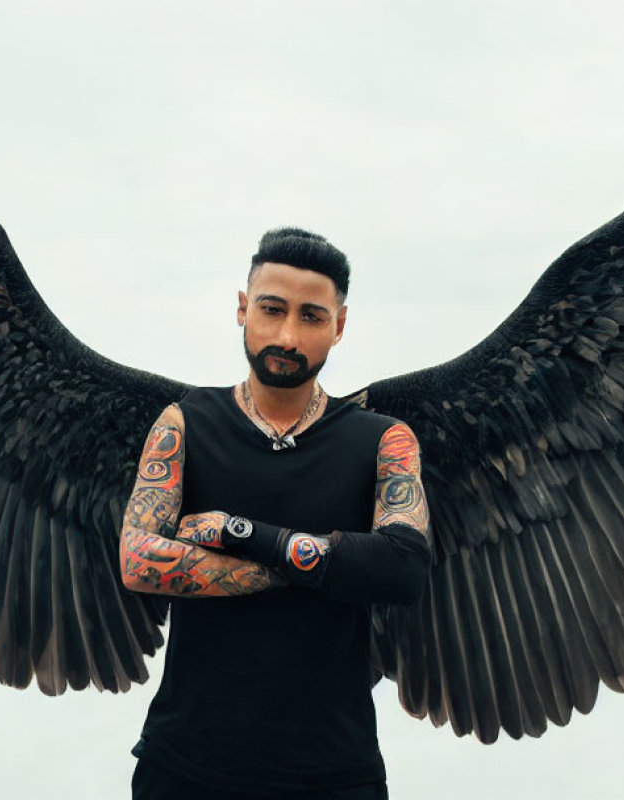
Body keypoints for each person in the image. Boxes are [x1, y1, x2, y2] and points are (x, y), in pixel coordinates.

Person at [119, 228, 432, 799]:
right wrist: (317, 566)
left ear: (339, 326)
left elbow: (403, 569)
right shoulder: (184, 423)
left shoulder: (385, 440)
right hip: (185, 771)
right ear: (243, 310)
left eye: (312, 317)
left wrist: (240, 534)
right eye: (272, 310)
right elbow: (139, 561)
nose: (287, 335)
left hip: (335, 778)